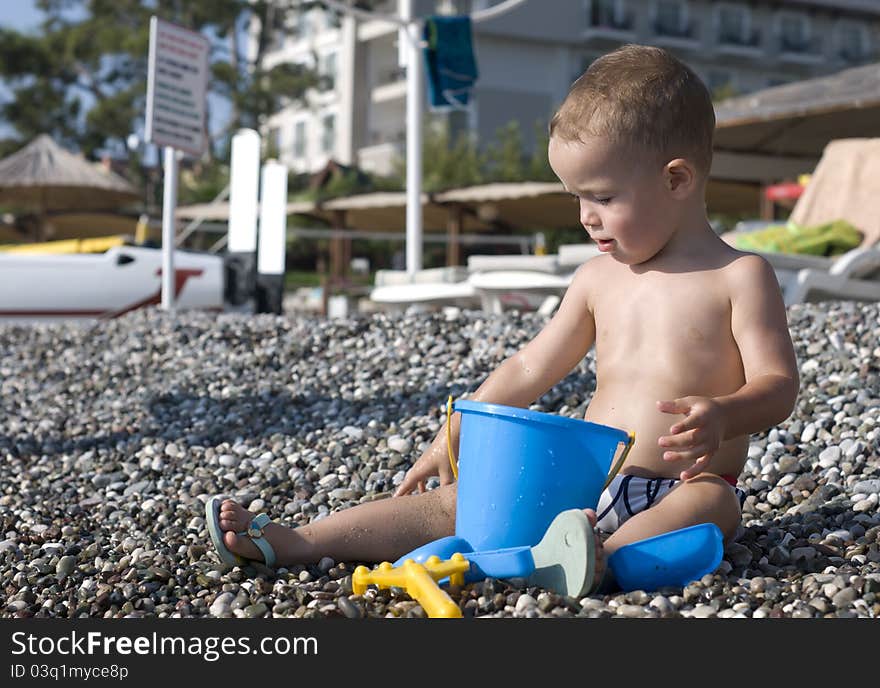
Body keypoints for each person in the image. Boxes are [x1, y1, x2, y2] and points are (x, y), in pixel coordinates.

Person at [206, 44, 799, 593]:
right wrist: (456, 428)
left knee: (713, 509)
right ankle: (300, 541)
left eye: (603, 197)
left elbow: (778, 387)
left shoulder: (737, 276)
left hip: (682, 485)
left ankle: (597, 559)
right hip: (584, 484)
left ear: (676, 179)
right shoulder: (597, 280)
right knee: (457, 501)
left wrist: (723, 414)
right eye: (576, 198)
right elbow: (531, 365)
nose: (586, 217)